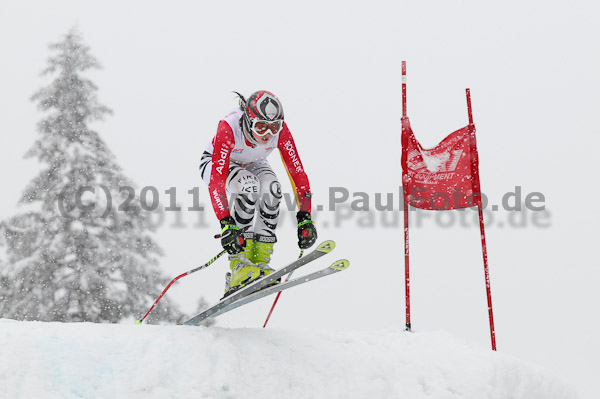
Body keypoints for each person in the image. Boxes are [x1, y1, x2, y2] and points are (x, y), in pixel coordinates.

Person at [199, 90, 317, 296]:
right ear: (248, 120)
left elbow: (297, 172)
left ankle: (260, 262)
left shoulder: (281, 132)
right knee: (249, 186)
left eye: (274, 127)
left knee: (273, 188)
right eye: (261, 126)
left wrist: (305, 217)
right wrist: (226, 223)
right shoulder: (229, 127)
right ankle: (239, 266)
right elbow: (216, 182)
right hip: (216, 163)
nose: (268, 134)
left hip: (254, 161)